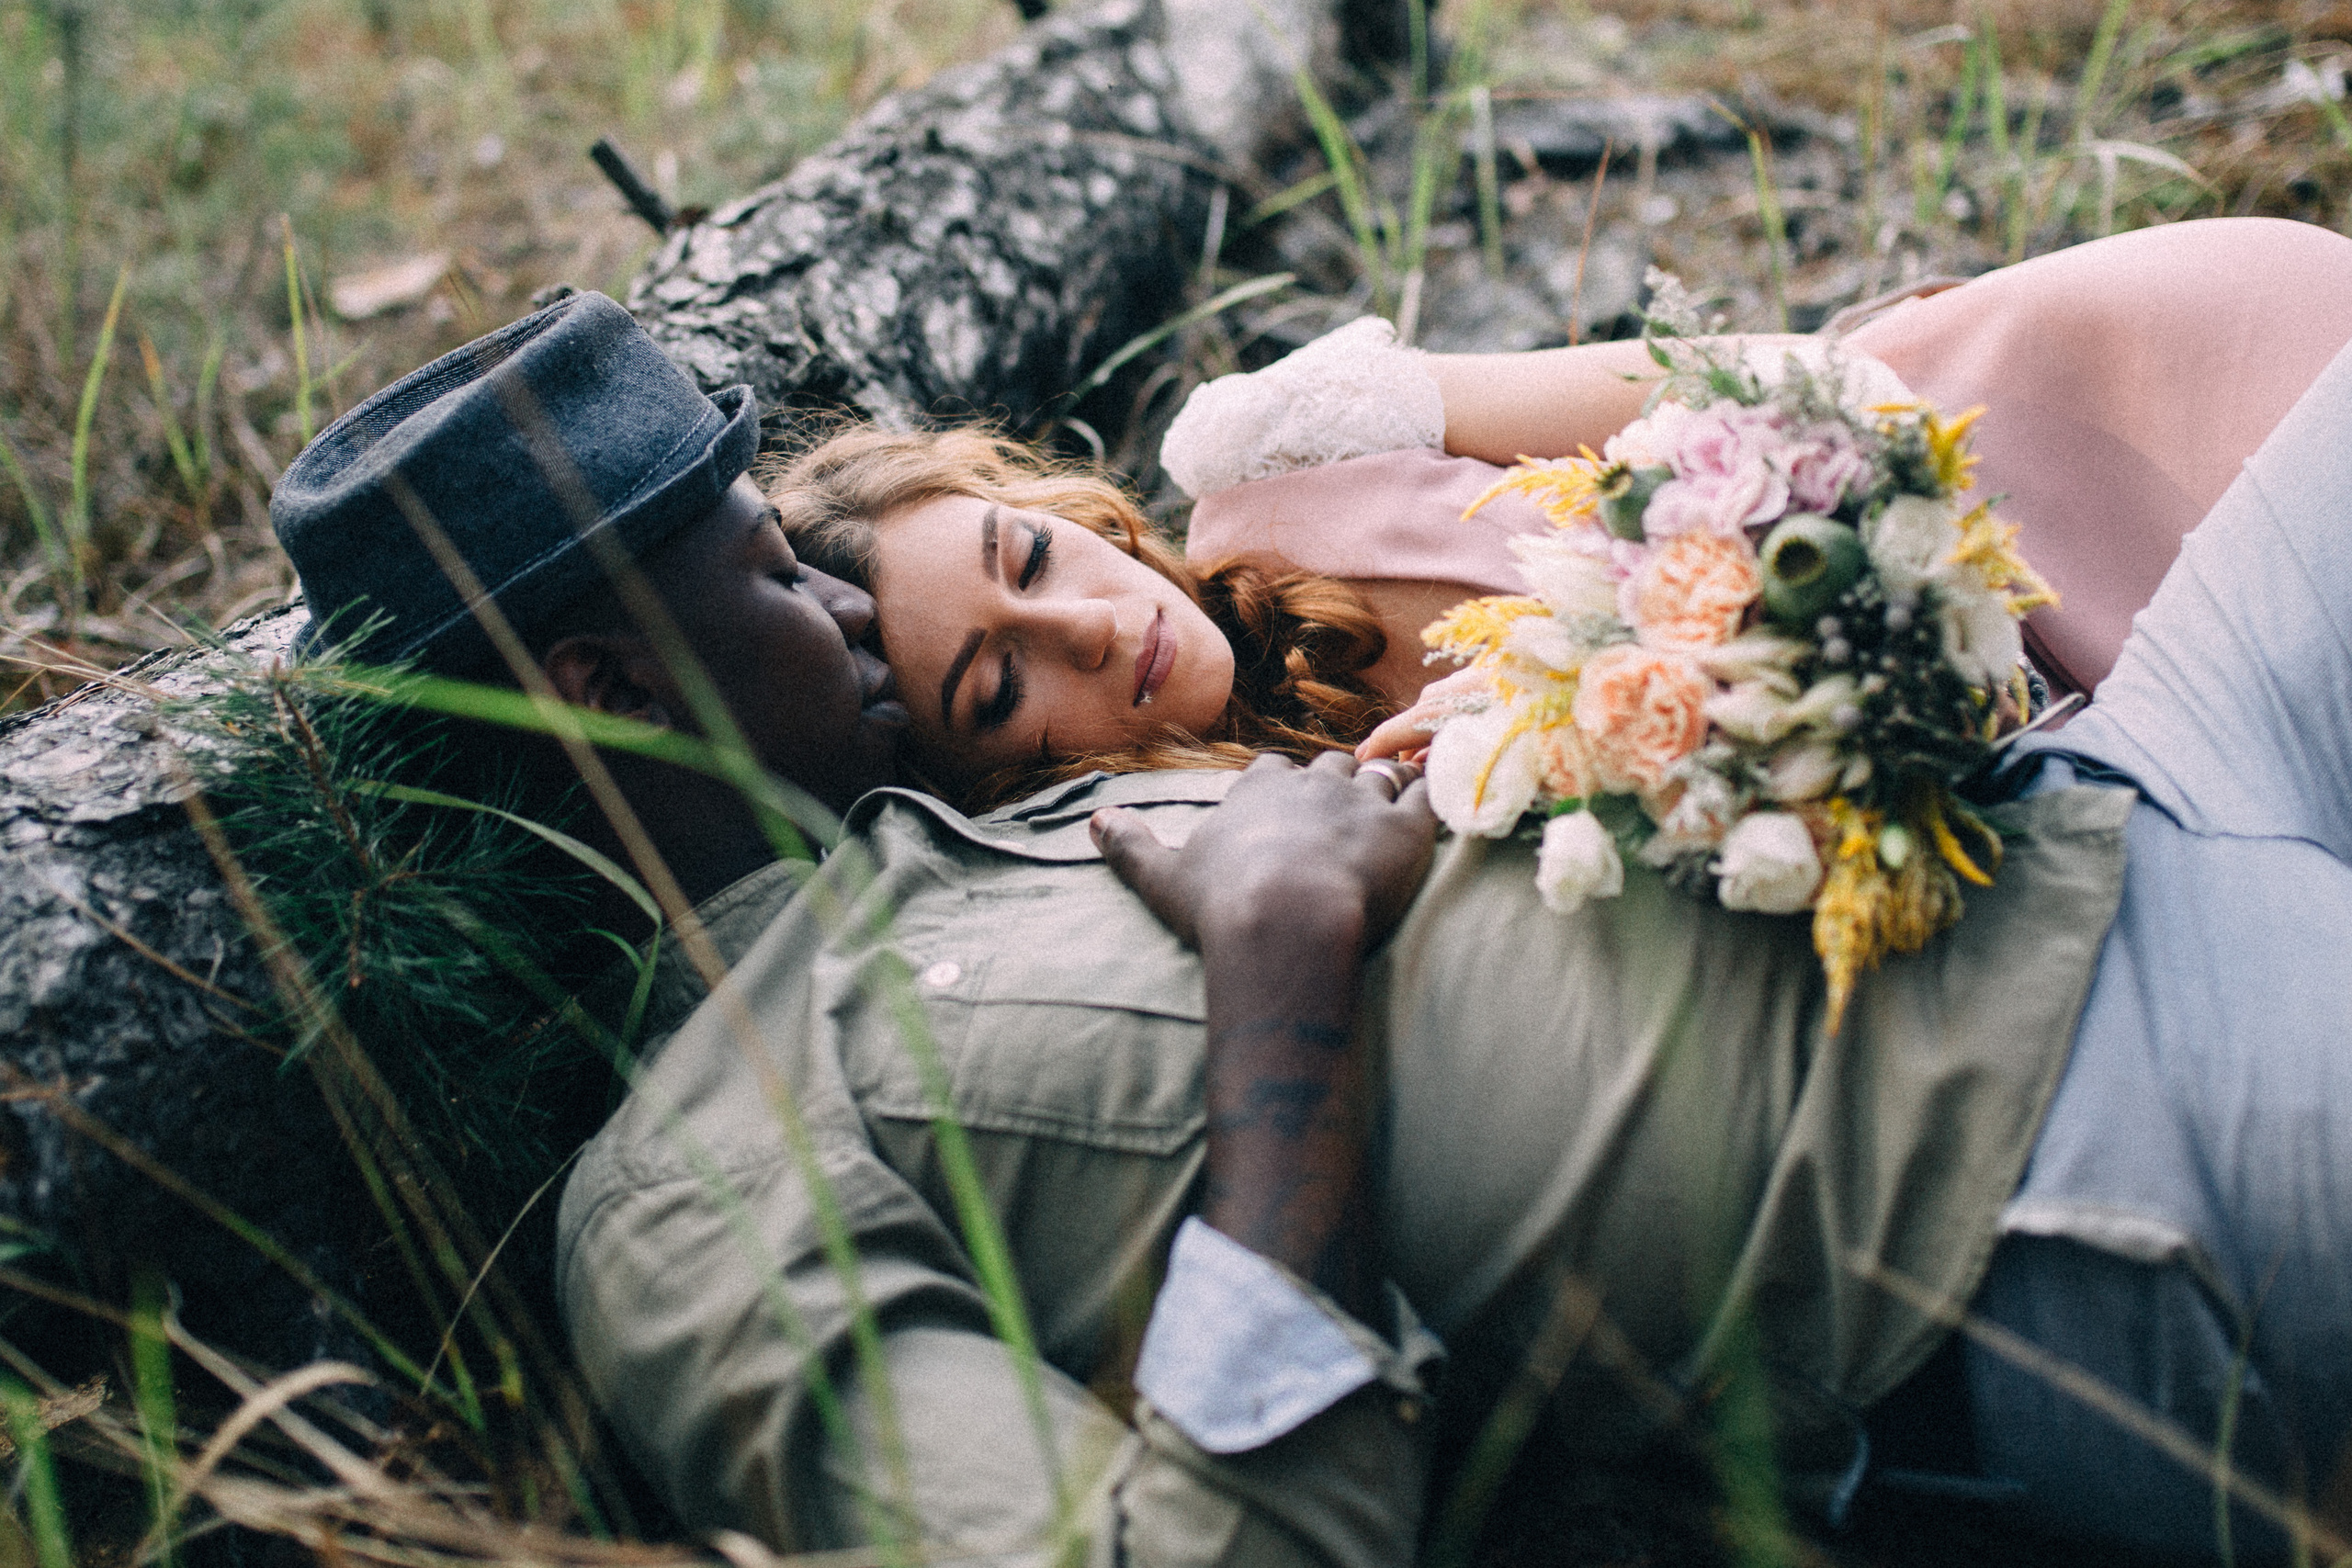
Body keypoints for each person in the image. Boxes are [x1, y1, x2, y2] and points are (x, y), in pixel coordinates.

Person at [277, 280, 2346, 1564]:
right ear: (608, 691)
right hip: (2028, 1142)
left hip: (2105, 791)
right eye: (777, 579)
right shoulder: (698, 1184)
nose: (850, 617)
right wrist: (1283, 987)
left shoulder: (982, 795)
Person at [770, 217, 2352, 812]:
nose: (1088, 622)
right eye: (1001, 683)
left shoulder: (1270, 455)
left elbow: (1739, 377)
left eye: (1027, 556)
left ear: (1054, 508)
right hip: (2008, 731)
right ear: (982, 781)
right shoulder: (1246, 840)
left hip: (2029, 437)